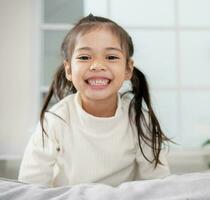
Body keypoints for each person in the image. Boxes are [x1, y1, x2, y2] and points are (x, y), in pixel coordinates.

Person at [18, 14, 173, 187]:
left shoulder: (139, 120)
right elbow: (30, 184)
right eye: (84, 57)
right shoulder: (55, 121)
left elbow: (158, 184)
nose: (97, 65)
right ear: (68, 69)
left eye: (111, 57)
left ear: (128, 69)